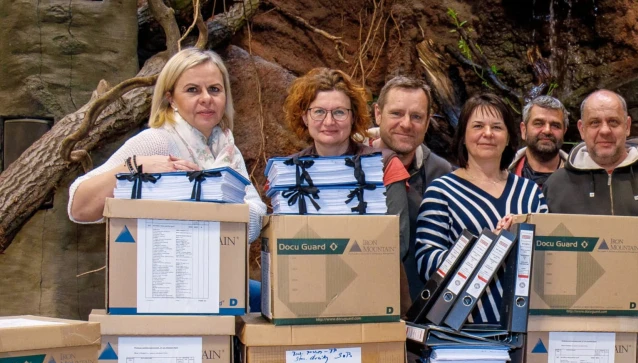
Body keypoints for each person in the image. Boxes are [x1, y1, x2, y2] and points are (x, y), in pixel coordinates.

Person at [68, 48, 266, 243]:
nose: (206, 98)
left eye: (214, 89)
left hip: (219, 266)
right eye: (192, 90)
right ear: (171, 99)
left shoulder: (227, 148)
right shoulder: (157, 141)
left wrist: (211, 208)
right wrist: (136, 166)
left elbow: (256, 212)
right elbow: (79, 207)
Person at [414, 93, 548, 325]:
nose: (488, 134)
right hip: (462, 329)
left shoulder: (531, 193)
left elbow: (549, 259)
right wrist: (485, 246)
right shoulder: (442, 191)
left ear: (508, 137)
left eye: (497, 127)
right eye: (478, 126)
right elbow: (427, 264)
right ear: (463, 136)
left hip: (524, 326)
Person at [280, 68, 411, 257]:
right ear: (304, 117)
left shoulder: (384, 165)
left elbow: (398, 242)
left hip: (374, 279)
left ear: (353, 117)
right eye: (318, 112)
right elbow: (284, 241)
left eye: (339, 112)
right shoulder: (288, 173)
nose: (329, 121)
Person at [543, 90, 638, 221]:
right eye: (595, 123)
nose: (605, 130)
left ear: (627, 126)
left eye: (613, 122)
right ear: (582, 129)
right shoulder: (556, 185)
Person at [372, 76, 453, 298]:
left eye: (416, 116)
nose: (406, 124)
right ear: (378, 113)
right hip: (360, 304)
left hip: (422, 310)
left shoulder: (442, 173)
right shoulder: (350, 163)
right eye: (396, 113)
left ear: (428, 122)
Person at [509, 95, 569, 186]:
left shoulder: (581, 179)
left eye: (555, 125)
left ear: (564, 132)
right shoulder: (500, 173)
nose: (547, 130)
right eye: (538, 123)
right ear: (523, 130)